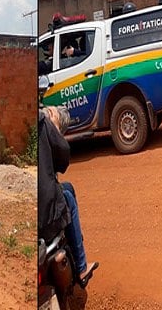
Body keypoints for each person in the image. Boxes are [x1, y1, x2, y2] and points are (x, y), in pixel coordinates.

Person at [38, 105, 98, 288]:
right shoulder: (42, 122)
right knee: (68, 200)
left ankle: (74, 242)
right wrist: (53, 130)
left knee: (68, 188)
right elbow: (63, 155)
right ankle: (81, 266)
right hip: (46, 219)